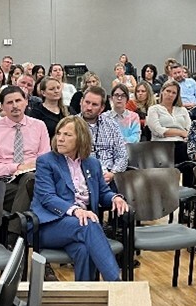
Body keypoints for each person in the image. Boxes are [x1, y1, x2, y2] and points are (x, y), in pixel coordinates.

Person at [32, 116, 128, 281]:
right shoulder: (46, 162)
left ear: (81, 139)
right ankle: (116, 283)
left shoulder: (92, 163)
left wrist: (114, 198)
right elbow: (47, 197)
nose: (60, 139)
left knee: (84, 250)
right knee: (88, 225)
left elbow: (103, 192)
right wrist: (76, 210)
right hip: (48, 226)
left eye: (68, 135)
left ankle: (88, 298)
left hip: (78, 226)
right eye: (59, 133)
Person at [0, 86, 50, 215]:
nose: (15, 106)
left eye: (18, 100)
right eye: (9, 102)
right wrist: (18, 167)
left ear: (26, 102)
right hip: (3, 183)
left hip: (35, 178)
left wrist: (28, 169)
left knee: (30, 180)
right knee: (34, 193)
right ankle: (22, 231)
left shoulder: (39, 126)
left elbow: (45, 161)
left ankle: (14, 233)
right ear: (2, 106)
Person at [76, 87, 128, 184]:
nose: (89, 108)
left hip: (109, 176)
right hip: (81, 176)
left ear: (102, 108)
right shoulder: (71, 125)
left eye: (94, 104)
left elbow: (122, 155)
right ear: (81, 101)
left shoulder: (111, 125)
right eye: (87, 102)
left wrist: (113, 173)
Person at [146, 79, 191, 165]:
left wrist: (185, 135)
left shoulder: (182, 110)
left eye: (174, 93)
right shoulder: (154, 109)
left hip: (181, 144)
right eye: (168, 91)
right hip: (161, 145)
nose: (170, 95)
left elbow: (189, 130)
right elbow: (158, 131)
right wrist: (181, 132)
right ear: (162, 91)